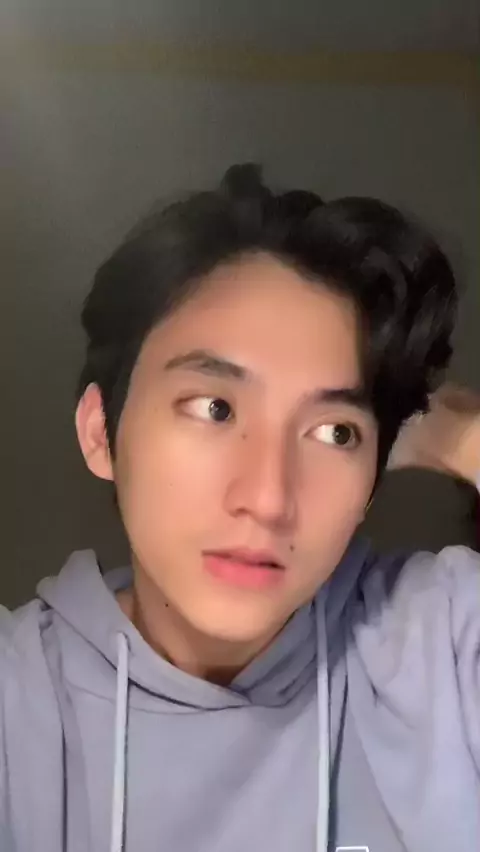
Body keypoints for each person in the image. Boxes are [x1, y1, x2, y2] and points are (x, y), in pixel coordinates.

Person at [1, 165, 479, 852]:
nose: (268, 499)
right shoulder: (18, 703)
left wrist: (460, 436)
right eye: (214, 408)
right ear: (102, 432)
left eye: (335, 433)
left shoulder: (441, 652)